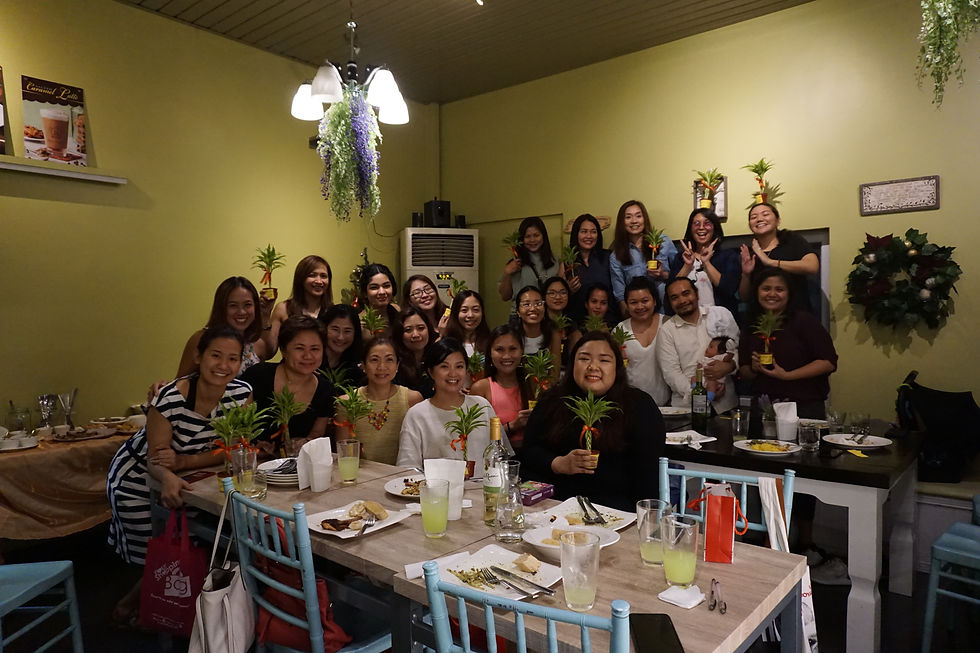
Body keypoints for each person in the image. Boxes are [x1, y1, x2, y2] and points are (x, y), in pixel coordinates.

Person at [107, 327, 252, 623]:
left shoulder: (241, 394)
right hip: (137, 478)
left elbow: (233, 449)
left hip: (192, 477)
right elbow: (156, 459)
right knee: (158, 555)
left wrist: (184, 463)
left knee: (188, 548)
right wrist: (169, 475)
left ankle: (159, 613)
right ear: (198, 357)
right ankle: (137, 610)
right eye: (215, 355)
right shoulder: (170, 397)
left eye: (233, 358)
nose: (223, 365)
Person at [519, 331, 665, 511]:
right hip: (556, 506)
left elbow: (647, 477)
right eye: (584, 359)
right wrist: (558, 463)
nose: (593, 366)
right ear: (572, 364)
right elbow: (529, 450)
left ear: (617, 367)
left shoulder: (639, 406)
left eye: (604, 360)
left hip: (616, 510)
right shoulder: (552, 400)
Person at [738, 269, 837, 419]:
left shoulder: (804, 321)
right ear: (757, 292)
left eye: (779, 289)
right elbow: (744, 370)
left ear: (789, 294)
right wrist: (754, 368)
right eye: (766, 288)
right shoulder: (751, 324)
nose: (772, 294)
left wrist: (788, 375)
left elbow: (828, 362)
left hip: (803, 407)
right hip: (763, 407)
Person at [397, 338, 504, 468]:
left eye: (459, 366)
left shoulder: (482, 406)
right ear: (431, 371)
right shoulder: (416, 415)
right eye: (444, 366)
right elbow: (408, 467)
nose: (453, 373)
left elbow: (500, 457)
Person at [241, 315, 335, 455]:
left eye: (315, 349)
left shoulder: (325, 389)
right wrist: (251, 447)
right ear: (283, 350)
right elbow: (238, 427)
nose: (308, 356)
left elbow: (316, 435)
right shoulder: (257, 375)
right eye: (299, 348)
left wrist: (303, 443)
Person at [335, 337, 423, 465]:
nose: (382, 367)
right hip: (361, 474)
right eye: (374, 360)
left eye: (389, 360)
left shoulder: (412, 399)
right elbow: (343, 455)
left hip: (402, 474)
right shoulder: (347, 402)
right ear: (363, 365)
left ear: (397, 365)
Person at [656, 278, 739, 414]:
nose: (682, 300)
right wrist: (700, 395)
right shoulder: (667, 330)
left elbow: (736, 348)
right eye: (675, 298)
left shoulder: (719, 315)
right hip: (688, 408)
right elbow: (671, 373)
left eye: (686, 293)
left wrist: (731, 365)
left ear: (697, 293)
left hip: (726, 403)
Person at [175, 276, 274, 378]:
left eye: (247, 305)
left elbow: (270, 353)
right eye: (233, 305)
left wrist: (266, 314)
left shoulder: (256, 343)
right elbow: (180, 382)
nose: (241, 312)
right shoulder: (201, 339)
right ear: (221, 307)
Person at [738, 203, 819, 312]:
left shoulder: (791, 240)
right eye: (753, 217)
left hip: (796, 314)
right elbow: (744, 297)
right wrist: (746, 275)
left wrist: (770, 262)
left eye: (765, 214)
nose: (759, 219)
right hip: (762, 318)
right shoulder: (750, 255)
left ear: (778, 221)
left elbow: (812, 267)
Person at [608, 200, 678, 315]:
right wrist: (632, 320)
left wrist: (662, 274)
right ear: (622, 222)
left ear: (644, 219)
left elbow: (680, 275)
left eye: (638, 216)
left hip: (668, 310)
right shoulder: (616, 256)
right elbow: (620, 295)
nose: (634, 221)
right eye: (628, 217)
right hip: (640, 314)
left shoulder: (663, 242)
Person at [470, 325, 532, 451]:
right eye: (499, 350)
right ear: (490, 353)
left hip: (531, 455)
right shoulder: (481, 388)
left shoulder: (533, 384)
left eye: (512, 349)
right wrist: (512, 426)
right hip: (497, 457)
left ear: (521, 351)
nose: (506, 356)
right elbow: (476, 436)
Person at [671, 209, 740, 317]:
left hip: (720, 319)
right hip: (688, 318)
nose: (701, 227)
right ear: (690, 228)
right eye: (696, 224)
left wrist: (706, 263)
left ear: (714, 227)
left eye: (707, 223)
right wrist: (687, 266)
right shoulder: (680, 258)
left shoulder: (728, 256)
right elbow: (671, 292)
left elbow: (728, 289)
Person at [616, 277, 669, 405]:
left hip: (668, 404)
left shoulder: (668, 324)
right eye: (633, 302)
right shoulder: (620, 330)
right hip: (630, 404)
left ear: (654, 301)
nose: (640, 306)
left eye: (645, 301)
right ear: (627, 304)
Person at [268, 255, 333, 350]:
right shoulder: (283, 309)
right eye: (312, 275)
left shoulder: (332, 312)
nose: (319, 281)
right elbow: (269, 351)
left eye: (323, 276)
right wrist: (265, 315)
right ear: (301, 278)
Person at [498, 216, 563, 301]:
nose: (532, 240)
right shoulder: (515, 263)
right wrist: (507, 273)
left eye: (536, 235)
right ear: (521, 239)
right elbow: (505, 297)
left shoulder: (555, 261)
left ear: (543, 236)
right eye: (527, 236)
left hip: (546, 308)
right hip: (521, 309)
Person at [565, 213, 616, 323]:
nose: (589, 236)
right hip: (577, 322)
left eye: (593, 232)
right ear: (576, 234)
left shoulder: (608, 257)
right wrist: (569, 290)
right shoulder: (567, 263)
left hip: (608, 321)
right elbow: (561, 295)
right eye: (584, 231)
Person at [319, 304, 366, 388]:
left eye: (347, 331)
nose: (340, 337)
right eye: (335, 329)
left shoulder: (357, 370)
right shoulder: (311, 362)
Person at [512, 285, 562, 361]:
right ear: (518, 311)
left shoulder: (553, 334)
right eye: (526, 304)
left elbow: (555, 366)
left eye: (538, 304)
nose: (533, 308)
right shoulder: (511, 336)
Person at [395, 306, 436, 398]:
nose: (415, 335)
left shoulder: (437, 359)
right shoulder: (395, 365)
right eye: (408, 330)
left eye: (420, 328)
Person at [442, 289, 491, 358]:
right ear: (456, 313)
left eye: (476, 310)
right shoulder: (445, 343)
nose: (470, 315)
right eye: (464, 310)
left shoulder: (491, 342)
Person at [359, 263, 401, 338]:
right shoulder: (359, 323)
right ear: (365, 293)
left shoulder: (397, 311)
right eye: (374, 287)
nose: (382, 292)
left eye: (386, 286)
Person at [542, 276, 574, 369]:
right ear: (544, 296)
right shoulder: (538, 325)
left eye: (563, 293)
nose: (558, 297)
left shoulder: (572, 326)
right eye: (552, 293)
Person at [701, 336, 733, 401]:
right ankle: (694, 387)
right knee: (693, 378)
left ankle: (709, 397)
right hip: (705, 379)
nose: (707, 348)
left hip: (715, 380)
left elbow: (728, 358)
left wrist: (730, 353)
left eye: (711, 347)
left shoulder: (719, 357)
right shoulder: (706, 358)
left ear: (720, 351)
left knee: (711, 383)